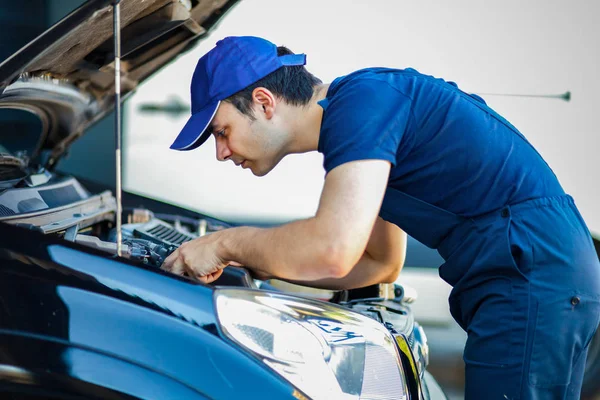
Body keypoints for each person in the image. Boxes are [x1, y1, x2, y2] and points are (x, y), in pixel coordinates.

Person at [162, 36, 600, 399]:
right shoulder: (356, 122)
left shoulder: (363, 104)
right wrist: (253, 266)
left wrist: (225, 243)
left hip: (532, 269)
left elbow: (333, 251)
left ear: (263, 101)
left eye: (221, 132)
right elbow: (375, 263)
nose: (221, 152)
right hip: (537, 267)